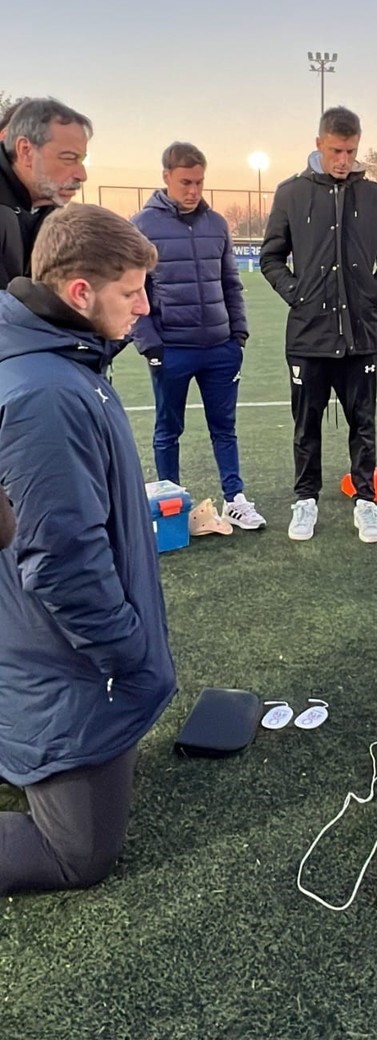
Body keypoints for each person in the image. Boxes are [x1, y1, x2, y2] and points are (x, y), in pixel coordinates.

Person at [0, 204, 177, 895]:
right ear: (80, 293)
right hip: (63, 666)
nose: (144, 305)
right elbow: (63, 561)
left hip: (40, 648)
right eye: (131, 291)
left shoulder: (54, 357)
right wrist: (125, 655)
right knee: (79, 855)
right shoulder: (45, 392)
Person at [260, 106, 377, 543]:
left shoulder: (376, 196)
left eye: (351, 151)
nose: (343, 159)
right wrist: (297, 294)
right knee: (306, 426)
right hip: (308, 336)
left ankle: (366, 501)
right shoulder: (290, 193)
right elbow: (270, 257)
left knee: (364, 423)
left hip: (361, 335)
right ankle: (305, 501)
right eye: (337, 150)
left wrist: (374, 293)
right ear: (320, 143)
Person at [131, 142, 265, 531]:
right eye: (185, 182)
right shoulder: (142, 226)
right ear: (166, 178)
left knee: (224, 427)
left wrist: (237, 334)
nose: (193, 190)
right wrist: (150, 344)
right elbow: (133, 288)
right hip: (172, 350)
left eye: (199, 182)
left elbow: (230, 282)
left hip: (220, 348)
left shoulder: (217, 224)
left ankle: (235, 499)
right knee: (167, 429)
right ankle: (169, 505)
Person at [0, 96, 91, 288]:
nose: (82, 175)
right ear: (25, 151)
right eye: (69, 158)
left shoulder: (51, 214)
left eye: (81, 160)